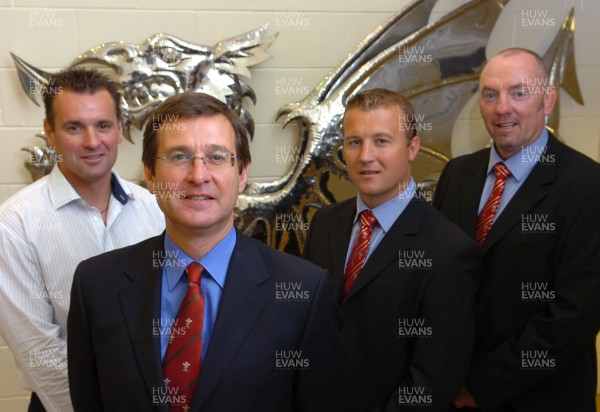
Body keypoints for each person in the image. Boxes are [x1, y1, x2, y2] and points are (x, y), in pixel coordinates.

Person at [67, 91, 351, 412]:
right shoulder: (96, 285)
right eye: (178, 157)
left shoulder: (304, 292)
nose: (198, 176)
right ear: (150, 174)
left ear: (242, 173)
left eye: (216, 157)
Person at [434, 48, 600, 411]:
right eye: (490, 94)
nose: (502, 107)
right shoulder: (458, 175)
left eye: (519, 92)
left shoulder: (587, 186)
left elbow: (573, 317)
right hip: (449, 391)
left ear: (548, 99)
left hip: (542, 397)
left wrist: (479, 386)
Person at [303, 88, 481, 411]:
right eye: (354, 142)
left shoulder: (449, 251)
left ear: (412, 147)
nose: (365, 156)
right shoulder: (325, 223)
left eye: (382, 141)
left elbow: (432, 381)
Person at [0, 68, 165, 412]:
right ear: (50, 132)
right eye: (74, 127)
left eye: (103, 125)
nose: (92, 141)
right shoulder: (15, 222)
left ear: (120, 130)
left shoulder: (155, 207)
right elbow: (38, 352)